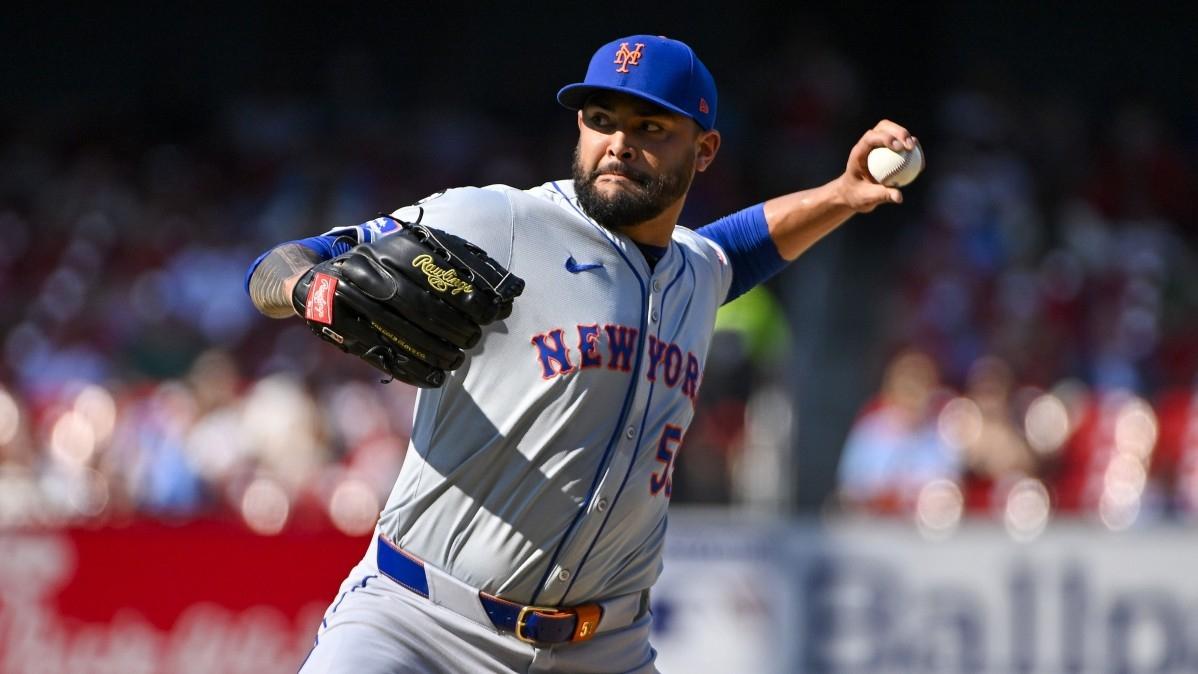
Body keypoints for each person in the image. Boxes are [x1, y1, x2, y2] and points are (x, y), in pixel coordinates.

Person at [246, 34, 916, 674]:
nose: (619, 144)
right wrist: (310, 287)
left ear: (705, 150)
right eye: (601, 119)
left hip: (603, 649)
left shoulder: (694, 271)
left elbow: (737, 249)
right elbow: (278, 265)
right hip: (420, 625)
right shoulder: (501, 220)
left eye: (651, 128)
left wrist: (840, 195)